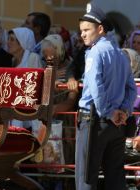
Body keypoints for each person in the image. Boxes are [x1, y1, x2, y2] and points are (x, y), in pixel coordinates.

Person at [75, 2, 137, 190]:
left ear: (100, 29)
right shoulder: (120, 54)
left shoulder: (95, 52)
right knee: (115, 177)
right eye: (81, 30)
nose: (82, 34)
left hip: (94, 121)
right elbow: (131, 89)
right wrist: (123, 111)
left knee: (86, 177)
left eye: (86, 29)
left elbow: (95, 87)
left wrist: (109, 112)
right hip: (116, 124)